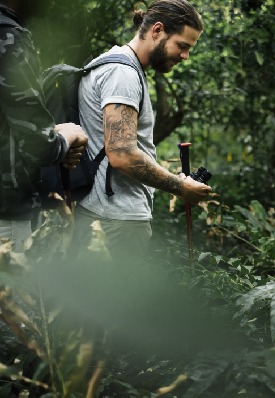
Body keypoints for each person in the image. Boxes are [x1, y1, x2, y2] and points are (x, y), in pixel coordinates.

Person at [72, 0, 210, 259]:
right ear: (157, 30)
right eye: (182, 46)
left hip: (104, 215)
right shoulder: (122, 74)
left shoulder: (117, 65)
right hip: (117, 221)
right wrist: (180, 188)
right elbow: (122, 154)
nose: (185, 56)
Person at [0, 0, 88, 252]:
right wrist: (68, 135)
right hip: (7, 213)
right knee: (15, 290)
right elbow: (38, 145)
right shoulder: (9, 38)